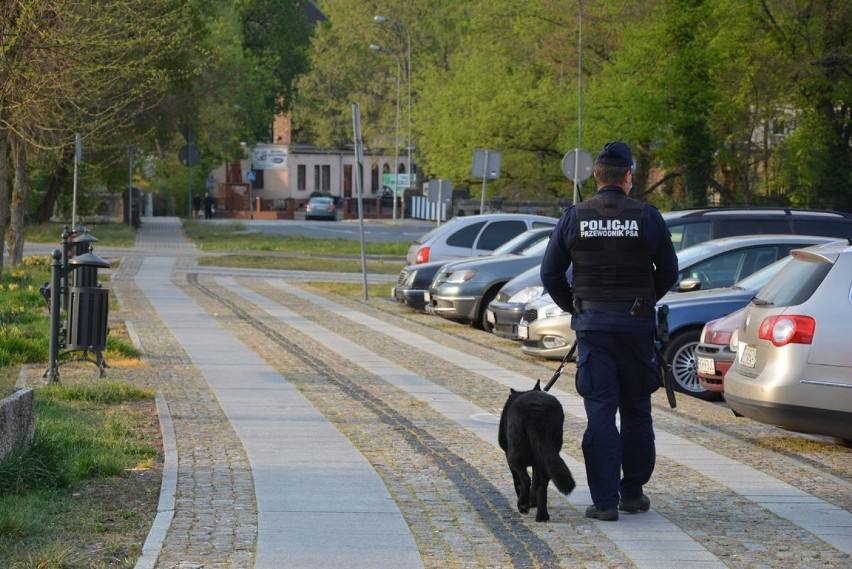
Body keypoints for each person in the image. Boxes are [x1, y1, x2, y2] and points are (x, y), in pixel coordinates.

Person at [539, 141, 678, 522]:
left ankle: (604, 502)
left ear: (597, 176)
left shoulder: (574, 217)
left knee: (600, 415)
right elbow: (669, 273)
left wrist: (576, 307)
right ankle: (632, 493)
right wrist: (643, 304)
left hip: (594, 331)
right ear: (628, 177)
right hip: (636, 332)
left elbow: (549, 274)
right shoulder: (648, 217)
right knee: (636, 412)